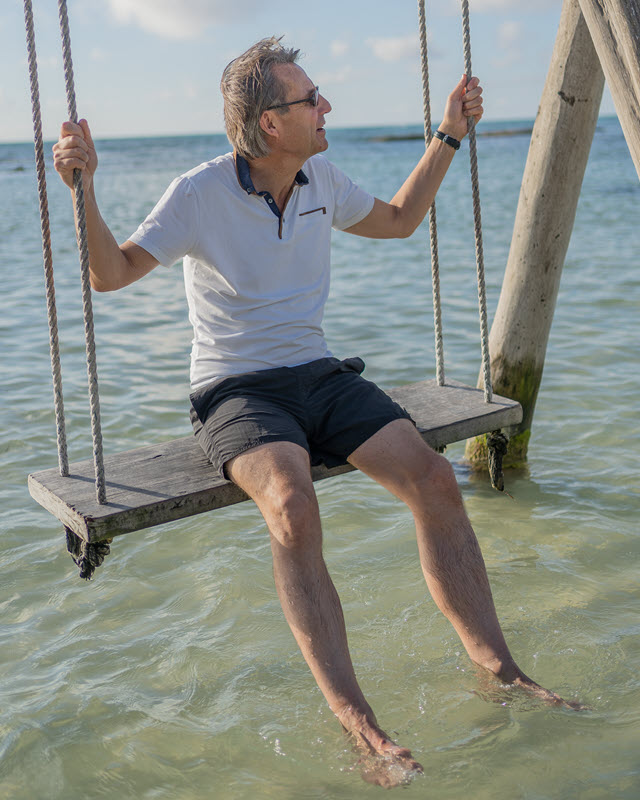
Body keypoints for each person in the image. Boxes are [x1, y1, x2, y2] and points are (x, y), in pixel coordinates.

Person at [53, 36, 578, 786]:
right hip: (236, 389)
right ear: (271, 122)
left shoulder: (321, 177)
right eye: (311, 99)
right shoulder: (200, 192)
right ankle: (361, 726)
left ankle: (502, 669)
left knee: (432, 477)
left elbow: (398, 220)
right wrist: (85, 188)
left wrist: (449, 134)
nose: (326, 107)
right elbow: (111, 275)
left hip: (321, 374)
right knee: (293, 506)